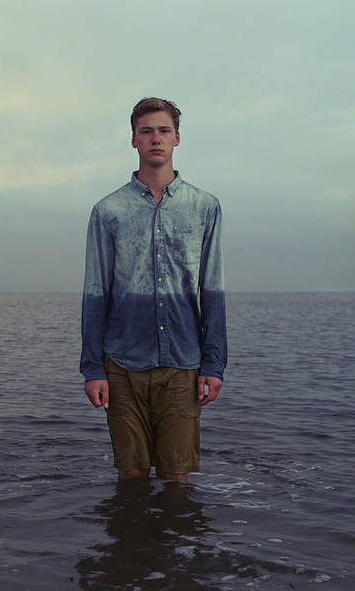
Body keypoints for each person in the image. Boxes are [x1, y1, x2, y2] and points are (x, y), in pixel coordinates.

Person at [80, 97, 227, 482]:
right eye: (146, 132)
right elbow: (96, 292)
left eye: (164, 131)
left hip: (182, 362)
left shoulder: (205, 207)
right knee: (130, 478)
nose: (155, 139)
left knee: (177, 480)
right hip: (121, 363)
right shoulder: (108, 211)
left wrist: (214, 364)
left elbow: (212, 289)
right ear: (134, 140)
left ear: (177, 138)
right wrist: (92, 369)